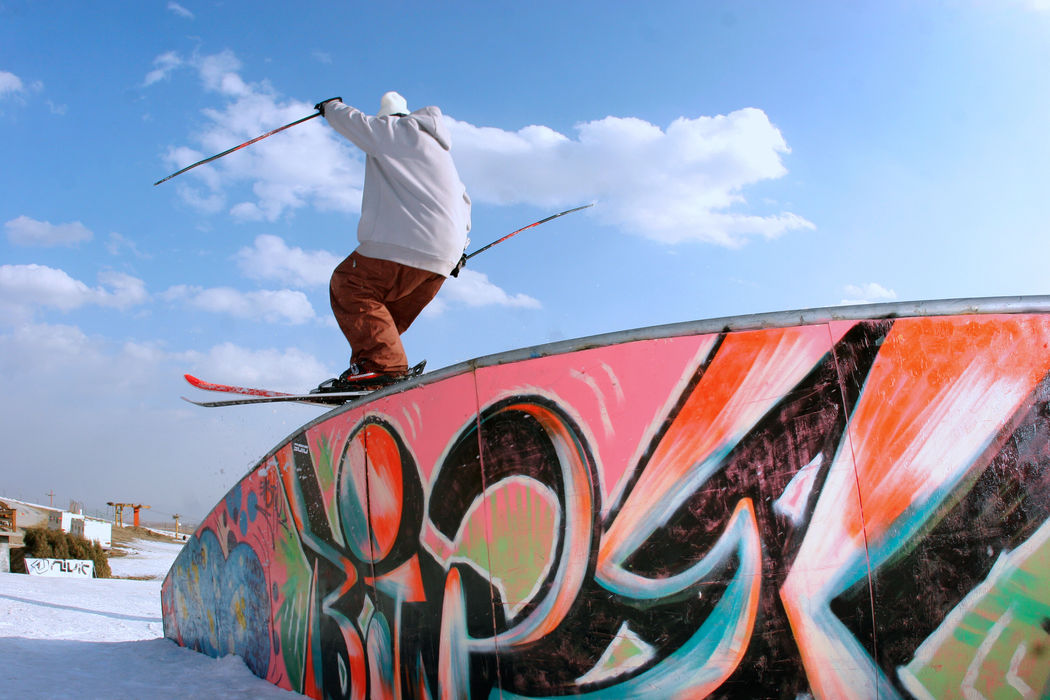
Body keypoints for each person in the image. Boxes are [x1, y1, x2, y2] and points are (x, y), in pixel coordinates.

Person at [313, 92, 471, 392]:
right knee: (383, 318)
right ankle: (371, 374)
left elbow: (357, 124)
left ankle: (382, 367)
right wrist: (459, 250)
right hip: (444, 257)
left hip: (409, 242)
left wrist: (331, 108)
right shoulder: (440, 153)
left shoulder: (398, 131)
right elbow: (464, 200)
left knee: (349, 283)